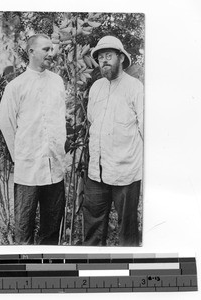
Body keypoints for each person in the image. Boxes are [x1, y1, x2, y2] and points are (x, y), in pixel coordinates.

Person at [0, 34, 66, 245]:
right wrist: (19, 156)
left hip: (54, 169)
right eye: (45, 49)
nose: (50, 53)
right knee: (23, 227)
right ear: (31, 52)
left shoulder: (57, 82)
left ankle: (50, 269)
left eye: (51, 49)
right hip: (28, 169)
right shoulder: (16, 86)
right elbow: (5, 121)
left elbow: (60, 120)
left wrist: (60, 153)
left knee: (52, 226)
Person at [83, 36, 144, 246]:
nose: (104, 61)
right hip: (96, 172)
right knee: (92, 229)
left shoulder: (135, 88)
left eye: (109, 55)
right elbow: (93, 121)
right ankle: (91, 266)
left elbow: (146, 130)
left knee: (127, 231)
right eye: (100, 57)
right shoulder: (96, 88)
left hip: (125, 173)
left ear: (120, 57)